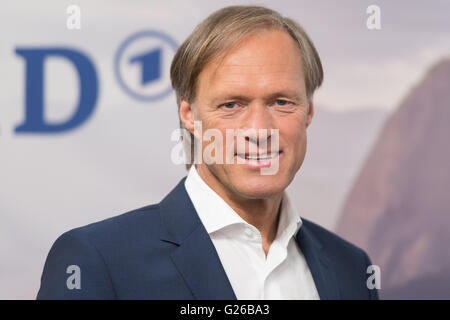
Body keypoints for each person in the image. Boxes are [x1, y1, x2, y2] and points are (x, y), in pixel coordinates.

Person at [37, 5, 379, 300]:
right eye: (231, 105)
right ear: (190, 116)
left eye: (281, 102)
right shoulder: (97, 260)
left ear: (308, 111)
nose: (259, 131)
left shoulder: (351, 269)